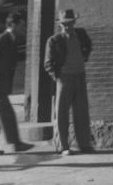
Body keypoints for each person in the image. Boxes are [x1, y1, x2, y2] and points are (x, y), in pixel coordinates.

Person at [0, 12, 33, 156]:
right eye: (21, 25)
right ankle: (15, 143)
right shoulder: (1, 40)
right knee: (7, 113)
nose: (23, 28)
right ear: (13, 25)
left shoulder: (11, 39)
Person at [44, 9, 94, 156]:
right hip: (63, 78)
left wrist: (84, 57)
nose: (67, 27)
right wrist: (57, 76)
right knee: (61, 113)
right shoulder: (54, 40)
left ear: (74, 22)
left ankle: (84, 144)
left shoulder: (81, 34)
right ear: (60, 24)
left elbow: (88, 46)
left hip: (80, 76)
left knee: (82, 111)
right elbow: (48, 63)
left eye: (70, 23)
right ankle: (63, 146)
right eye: (64, 24)